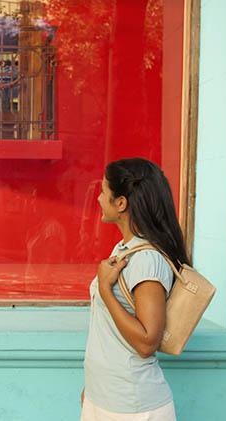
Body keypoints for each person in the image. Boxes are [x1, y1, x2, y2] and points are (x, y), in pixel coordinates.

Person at [81, 158, 189, 420]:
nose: (98, 198)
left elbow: (147, 342)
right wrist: (92, 390)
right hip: (107, 399)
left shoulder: (146, 260)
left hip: (133, 407)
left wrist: (106, 290)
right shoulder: (124, 250)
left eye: (104, 191)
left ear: (121, 203)